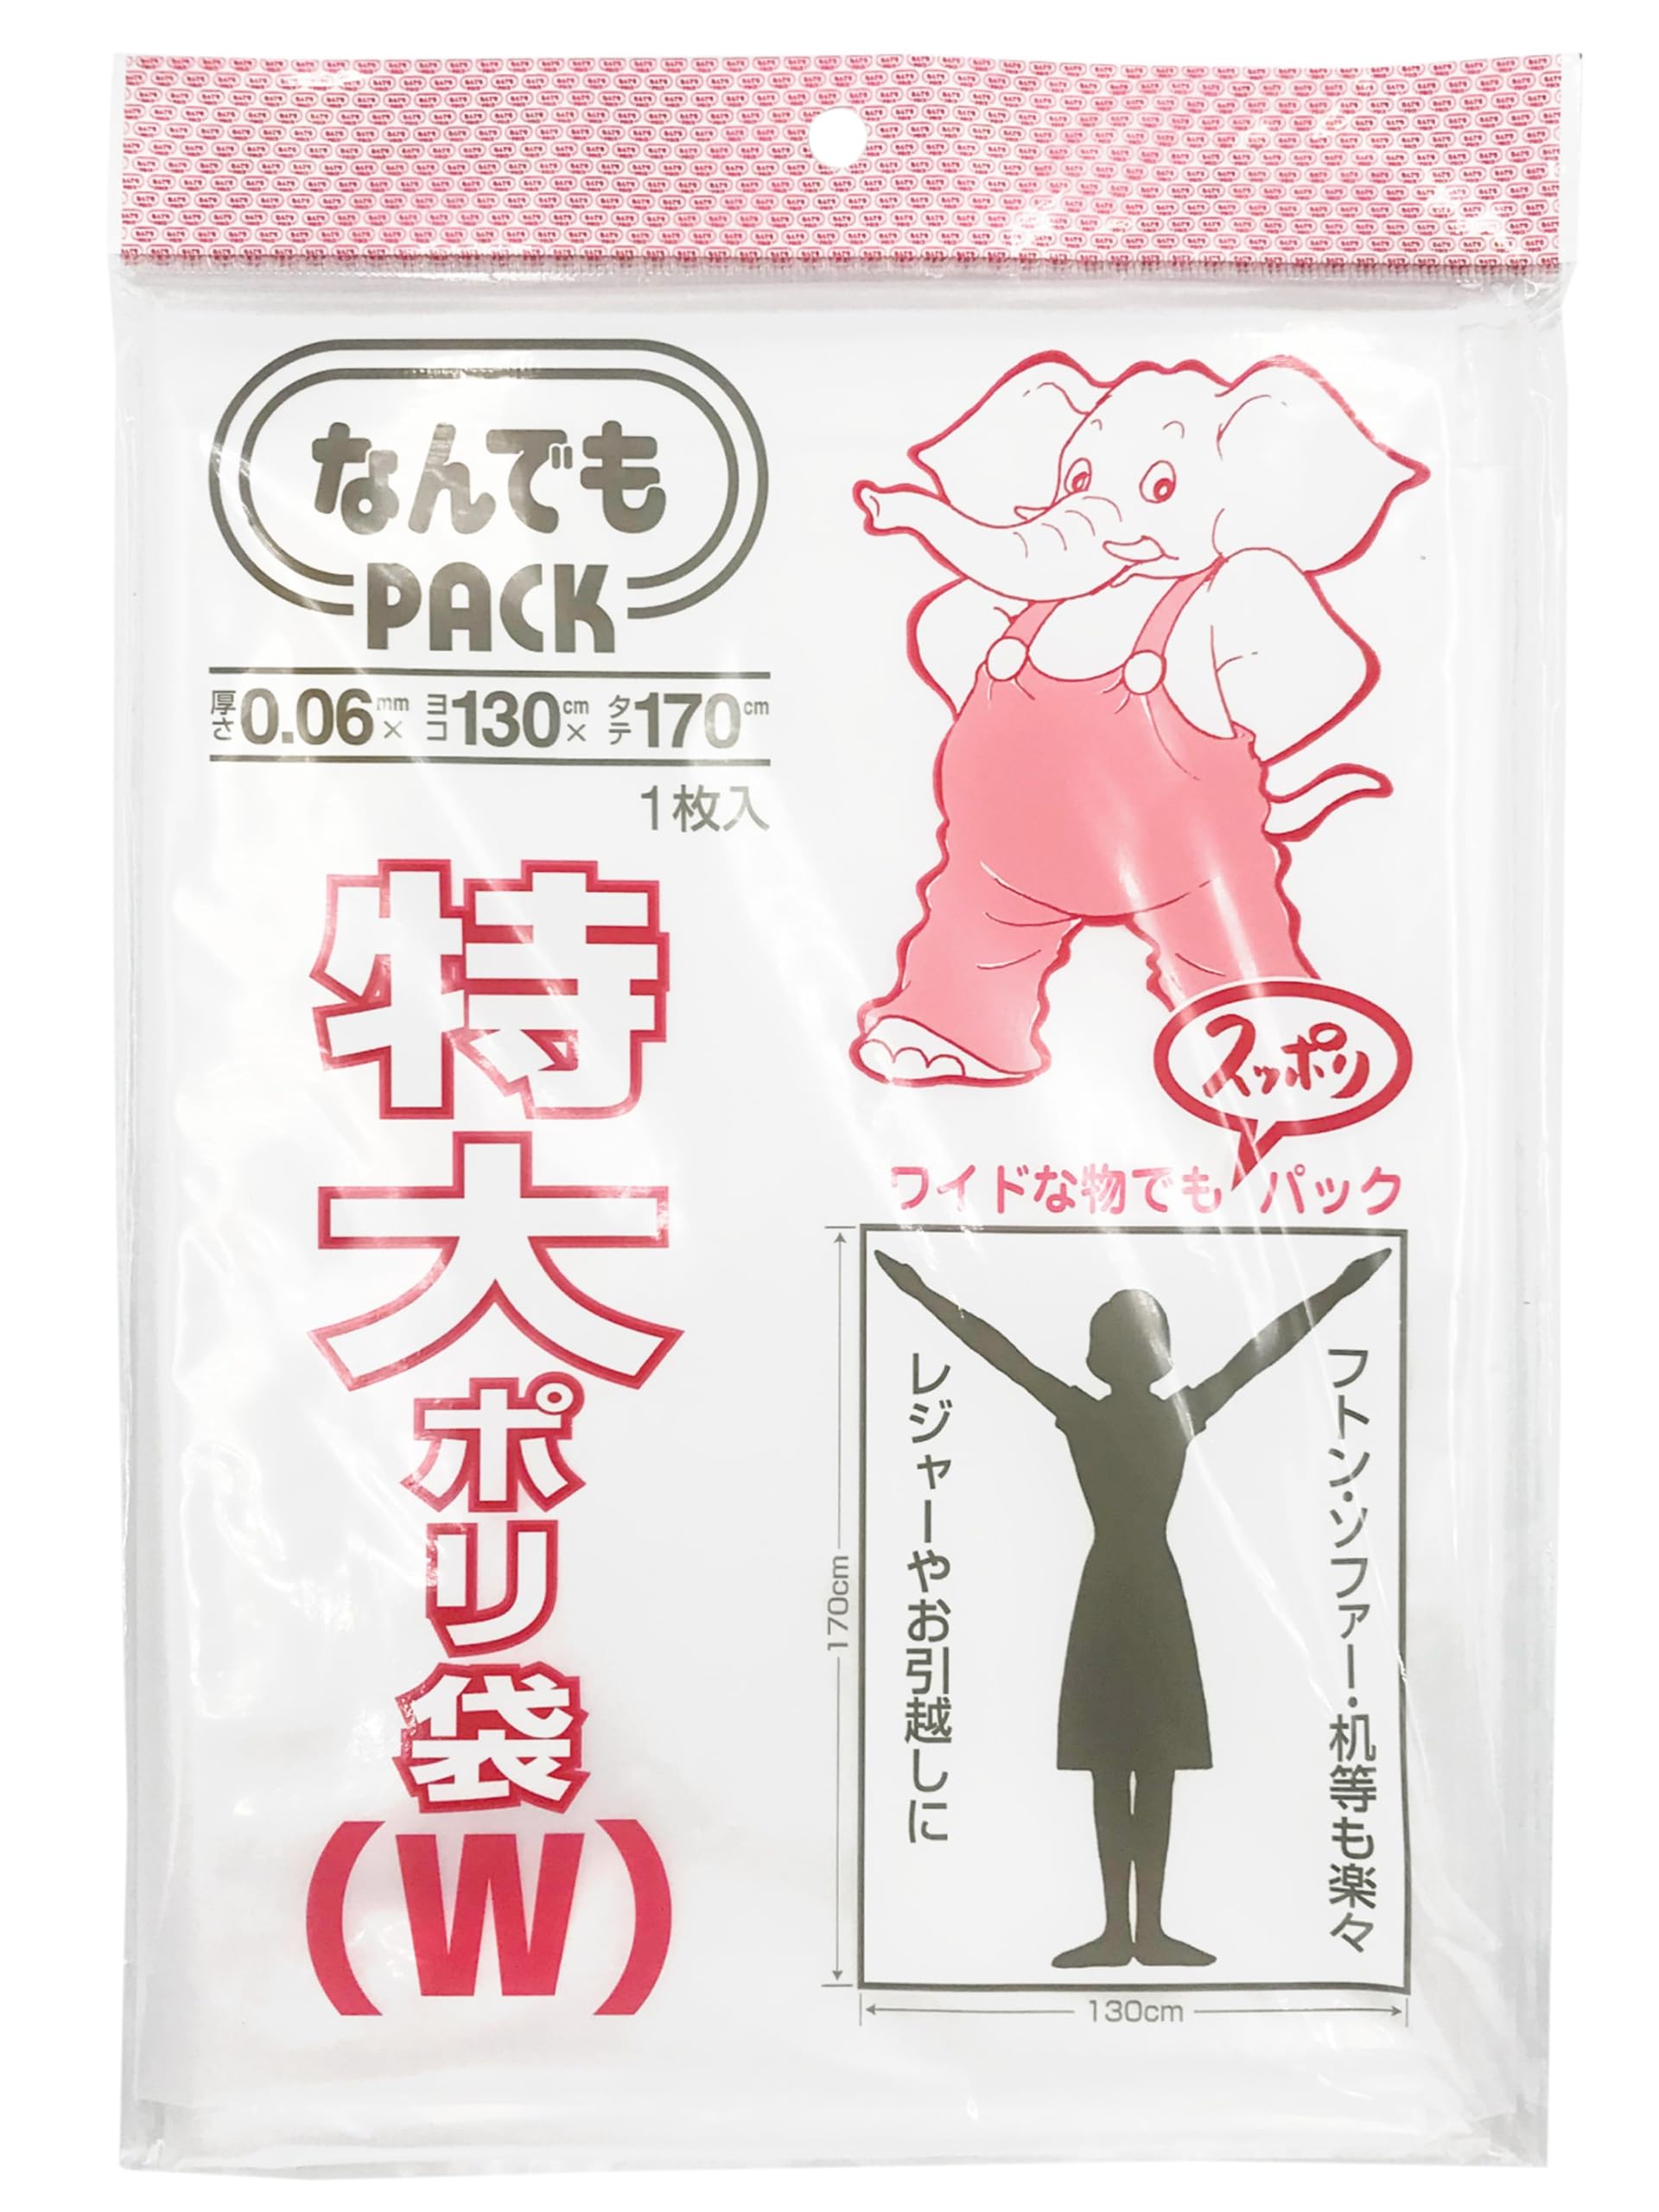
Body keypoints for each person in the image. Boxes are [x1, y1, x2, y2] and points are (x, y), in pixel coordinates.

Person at [875, 1243, 1390, 1968]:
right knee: (1149, 1768)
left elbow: (998, 1351)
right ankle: (1140, 1931)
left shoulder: (1083, 1414)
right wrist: (1341, 1286)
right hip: (1152, 1589)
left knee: (1115, 1768)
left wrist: (920, 1291)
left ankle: (1126, 1931)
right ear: (1161, 1354)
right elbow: (1262, 1350)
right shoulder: (1179, 1412)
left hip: (1109, 1592)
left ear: (1098, 1355)